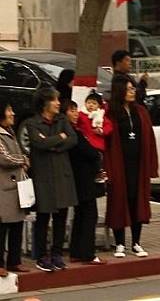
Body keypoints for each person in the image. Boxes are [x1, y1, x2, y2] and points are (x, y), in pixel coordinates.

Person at [106, 76, 158, 258]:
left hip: (138, 164)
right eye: (128, 88)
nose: (132, 91)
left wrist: (152, 164)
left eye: (133, 88)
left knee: (138, 200)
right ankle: (119, 243)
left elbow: (150, 138)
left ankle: (136, 242)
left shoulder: (141, 111)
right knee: (119, 200)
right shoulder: (110, 113)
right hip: (119, 163)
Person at [27, 87, 78, 272]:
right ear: (45, 102)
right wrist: (59, 138)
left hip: (62, 175)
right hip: (44, 177)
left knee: (61, 216)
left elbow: (73, 139)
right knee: (43, 217)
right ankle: (41, 256)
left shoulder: (62, 120)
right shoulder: (33, 123)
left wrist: (52, 143)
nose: (58, 103)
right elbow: (38, 143)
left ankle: (57, 253)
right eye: (55, 100)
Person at [65, 101, 105, 264]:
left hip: (79, 178)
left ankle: (76, 251)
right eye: (71, 110)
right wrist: (96, 155)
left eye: (76, 110)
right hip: (83, 178)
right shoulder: (72, 132)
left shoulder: (72, 130)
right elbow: (88, 152)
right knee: (89, 214)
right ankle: (88, 253)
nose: (75, 113)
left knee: (80, 214)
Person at [0, 97, 29, 275]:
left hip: (15, 187)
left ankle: (14, 261)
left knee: (17, 224)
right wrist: (23, 160)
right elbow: (4, 158)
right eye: (9, 110)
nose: (13, 113)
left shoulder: (9, 131)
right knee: (2, 227)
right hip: (3, 189)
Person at [77, 92, 111, 183]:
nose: (91, 105)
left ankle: (99, 172)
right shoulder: (81, 114)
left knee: (98, 157)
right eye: (89, 102)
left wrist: (102, 131)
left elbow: (109, 127)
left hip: (98, 143)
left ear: (99, 106)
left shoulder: (101, 116)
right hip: (86, 142)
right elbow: (76, 124)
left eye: (94, 103)